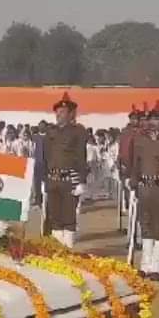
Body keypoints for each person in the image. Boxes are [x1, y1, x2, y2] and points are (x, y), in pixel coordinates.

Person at [130, 102, 159, 279]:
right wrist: (133, 183)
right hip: (144, 186)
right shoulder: (140, 139)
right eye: (152, 119)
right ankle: (145, 265)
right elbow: (136, 163)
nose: (155, 122)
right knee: (145, 225)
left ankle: (156, 267)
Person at [42, 93, 89, 248]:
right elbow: (45, 157)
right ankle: (57, 251)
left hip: (69, 180)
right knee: (54, 218)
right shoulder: (50, 132)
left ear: (71, 114)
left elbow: (81, 156)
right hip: (53, 180)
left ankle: (68, 250)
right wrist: (44, 179)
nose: (59, 115)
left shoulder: (78, 132)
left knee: (69, 218)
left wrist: (81, 181)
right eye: (57, 112)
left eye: (62, 112)